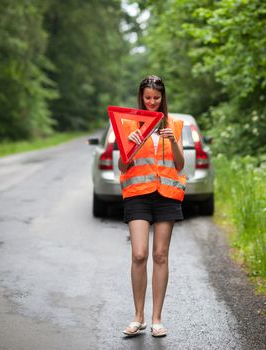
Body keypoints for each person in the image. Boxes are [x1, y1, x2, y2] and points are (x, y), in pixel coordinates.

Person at [119, 75, 186, 337]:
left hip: (166, 194)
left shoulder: (175, 125)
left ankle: (157, 319)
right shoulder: (127, 125)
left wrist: (171, 140)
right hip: (137, 194)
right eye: (147, 98)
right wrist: (133, 144)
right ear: (141, 97)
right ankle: (138, 317)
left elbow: (180, 165)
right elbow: (122, 167)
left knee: (160, 255)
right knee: (139, 254)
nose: (152, 102)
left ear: (163, 98)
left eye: (156, 98)